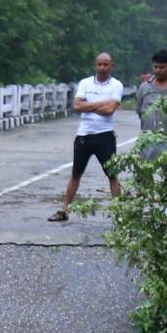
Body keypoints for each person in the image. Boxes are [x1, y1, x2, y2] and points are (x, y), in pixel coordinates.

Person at [49, 52, 124, 223]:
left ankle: (120, 213)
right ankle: (64, 210)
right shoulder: (85, 83)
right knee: (76, 173)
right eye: (100, 64)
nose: (103, 68)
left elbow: (109, 110)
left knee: (112, 175)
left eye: (106, 65)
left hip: (105, 136)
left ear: (112, 66)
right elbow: (77, 106)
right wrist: (101, 102)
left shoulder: (116, 85)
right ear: (95, 65)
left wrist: (87, 105)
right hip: (84, 135)